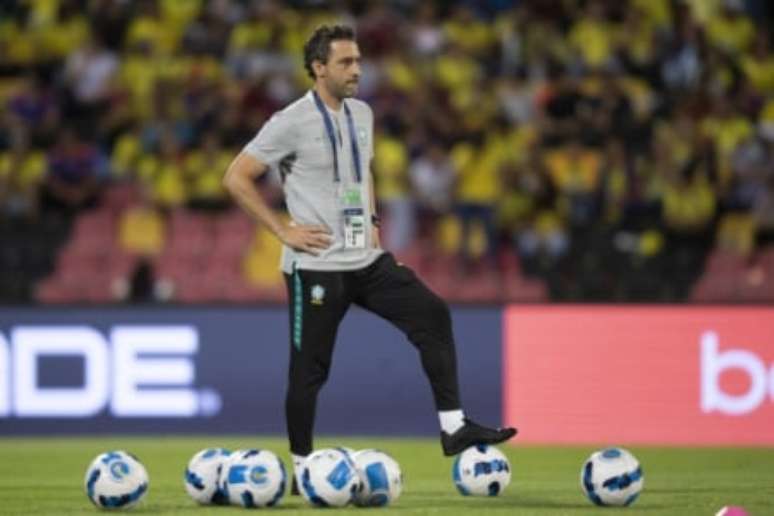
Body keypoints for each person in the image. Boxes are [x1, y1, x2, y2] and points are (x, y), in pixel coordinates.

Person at [223, 24, 516, 490]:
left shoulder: (362, 114)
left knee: (433, 315)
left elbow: (364, 174)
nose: (357, 69)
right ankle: (302, 468)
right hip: (315, 267)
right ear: (319, 68)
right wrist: (282, 228)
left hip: (366, 262)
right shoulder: (290, 121)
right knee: (309, 371)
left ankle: (453, 426)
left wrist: (375, 235)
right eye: (346, 62)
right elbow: (236, 177)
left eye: (358, 60)